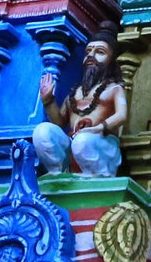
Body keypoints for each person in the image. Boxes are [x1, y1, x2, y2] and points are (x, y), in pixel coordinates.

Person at [32, 27, 128, 177]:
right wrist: (48, 101)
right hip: (74, 142)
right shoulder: (75, 92)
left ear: (112, 61)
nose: (91, 56)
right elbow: (59, 123)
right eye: (88, 51)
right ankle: (58, 173)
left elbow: (121, 116)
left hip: (99, 145)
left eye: (100, 52)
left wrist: (97, 129)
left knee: (83, 141)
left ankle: (96, 177)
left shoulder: (114, 88)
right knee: (42, 131)